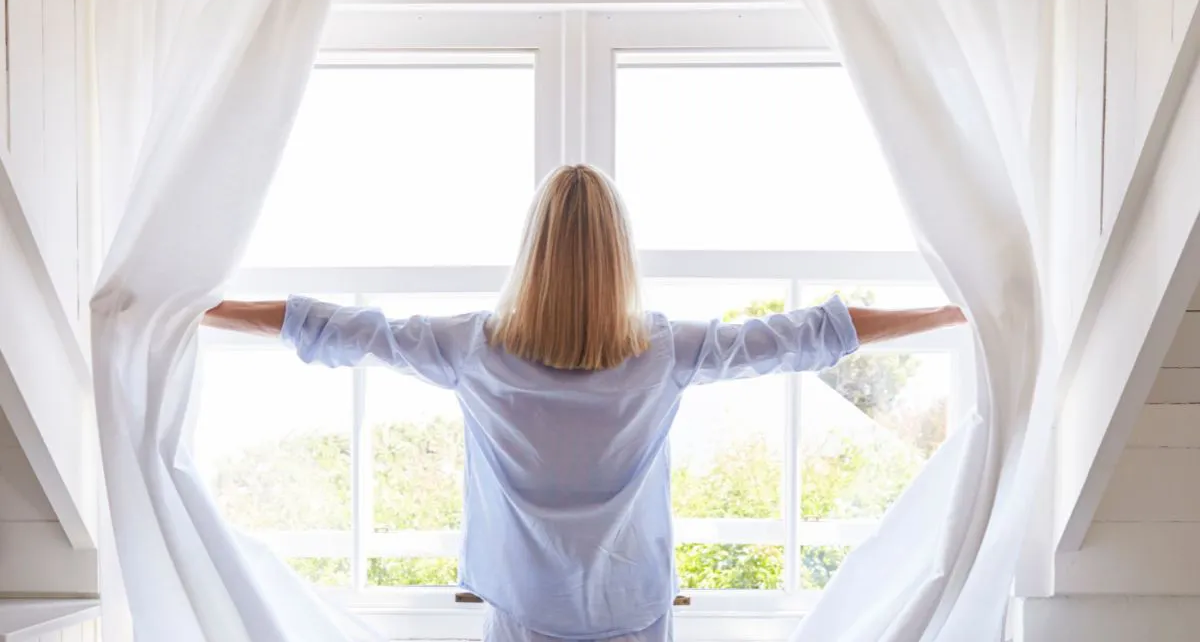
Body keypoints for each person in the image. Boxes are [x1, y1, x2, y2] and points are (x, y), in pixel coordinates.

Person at [204, 164, 967, 642]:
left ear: (530, 253)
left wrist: (202, 307)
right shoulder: (666, 350)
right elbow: (809, 334)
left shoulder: (471, 347)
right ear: (618, 258)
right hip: (632, 611)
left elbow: (335, 330)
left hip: (523, 611)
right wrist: (944, 314)